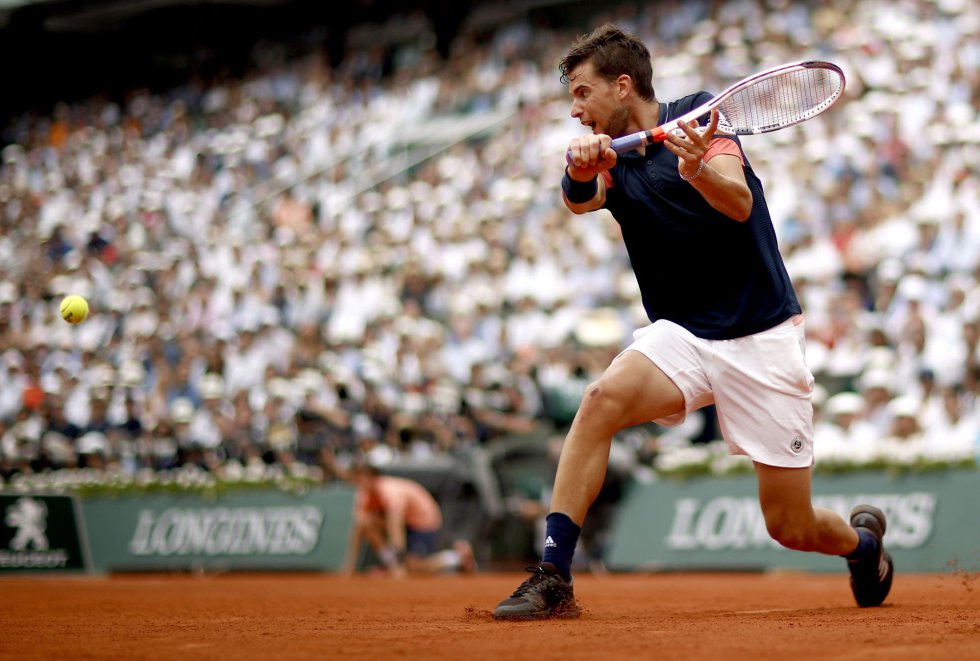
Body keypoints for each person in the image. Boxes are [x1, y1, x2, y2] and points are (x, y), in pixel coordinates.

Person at [492, 24, 894, 620]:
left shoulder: (703, 120)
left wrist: (698, 167)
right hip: (682, 335)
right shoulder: (612, 156)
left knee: (791, 526)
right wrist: (580, 169)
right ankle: (555, 575)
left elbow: (739, 202)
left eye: (583, 93)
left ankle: (863, 548)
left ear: (622, 86)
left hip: (761, 335)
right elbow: (581, 200)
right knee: (600, 400)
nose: (576, 111)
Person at [341, 462, 477, 577]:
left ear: (372, 477)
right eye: (356, 477)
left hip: (424, 522)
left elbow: (395, 524)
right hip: (407, 523)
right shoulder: (363, 494)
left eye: (361, 477)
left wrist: (399, 564)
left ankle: (458, 557)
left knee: (416, 568)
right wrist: (350, 567)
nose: (358, 481)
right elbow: (358, 527)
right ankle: (393, 564)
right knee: (366, 523)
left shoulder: (390, 490)